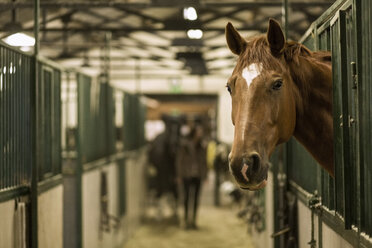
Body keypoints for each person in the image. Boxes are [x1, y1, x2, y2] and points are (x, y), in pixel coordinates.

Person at [176, 122, 207, 229]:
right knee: (186, 198)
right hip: (186, 175)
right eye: (199, 132)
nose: (201, 134)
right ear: (194, 133)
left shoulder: (202, 146)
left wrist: (205, 175)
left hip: (197, 176)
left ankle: (193, 221)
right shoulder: (185, 145)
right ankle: (185, 220)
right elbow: (180, 161)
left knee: (196, 199)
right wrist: (179, 175)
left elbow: (204, 162)